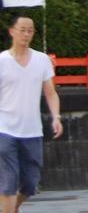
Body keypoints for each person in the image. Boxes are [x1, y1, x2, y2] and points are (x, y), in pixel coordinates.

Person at [0, 17, 60, 213]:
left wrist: (56, 117)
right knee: (8, 180)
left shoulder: (41, 60)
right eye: (22, 30)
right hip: (4, 129)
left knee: (30, 182)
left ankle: (13, 208)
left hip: (32, 130)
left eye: (30, 30)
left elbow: (50, 92)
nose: (26, 34)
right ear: (12, 31)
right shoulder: (2, 61)